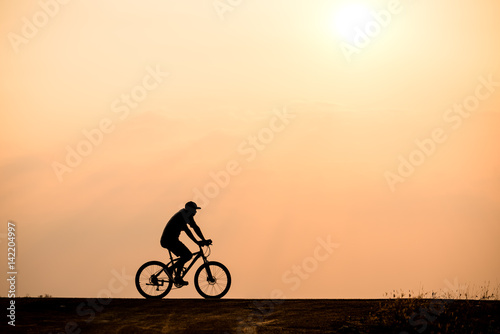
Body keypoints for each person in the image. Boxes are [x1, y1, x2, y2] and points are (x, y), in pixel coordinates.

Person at [160, 201, 211, 286]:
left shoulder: (187, 215)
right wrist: (197, 242)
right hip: (169, 240)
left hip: (171, 240)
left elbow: (195, 228)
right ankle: (172, 271)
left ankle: (177, 276)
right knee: (187, 255)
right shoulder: (182, 216)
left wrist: (203, 240)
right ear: (191, 210)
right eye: (194, 210)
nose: (195, 213)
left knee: (185, 255)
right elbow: (188, 232)